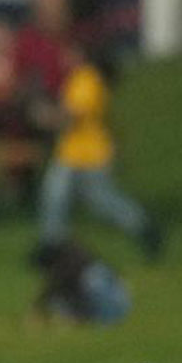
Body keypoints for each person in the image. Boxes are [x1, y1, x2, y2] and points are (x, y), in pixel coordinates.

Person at [36, 47, 159, 258]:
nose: (65, 56)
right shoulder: (85, 79)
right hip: (77, 151)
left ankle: (144, 227)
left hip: (86, 153)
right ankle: (51, 245)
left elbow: (73, 116)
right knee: (61, 197)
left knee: (81, 199)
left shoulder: (86, 78)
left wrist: (46, 117)